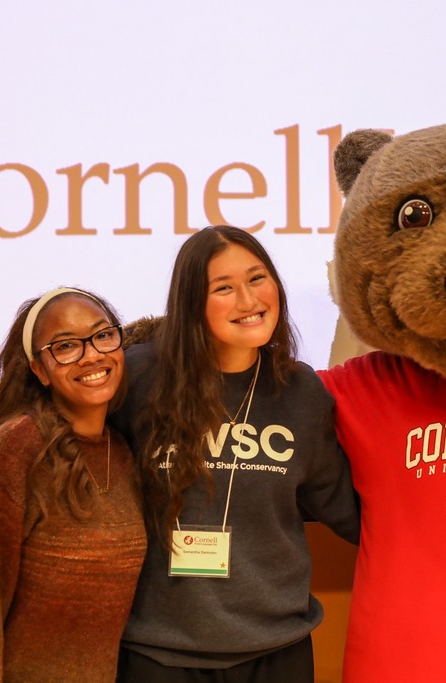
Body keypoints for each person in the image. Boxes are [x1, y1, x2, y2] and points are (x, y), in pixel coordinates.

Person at [111, 226, 359, 683]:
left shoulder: (301, 391)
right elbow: (66, 456)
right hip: (157, 650)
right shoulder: (139, 377)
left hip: (274, 649)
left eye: (258, 278)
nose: (248, 300)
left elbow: (344, 506)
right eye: (224, 287)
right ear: (190, 303)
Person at [0, 288, 147, 682]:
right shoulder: (18, 445)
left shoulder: (119, 450)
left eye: (103, 335)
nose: (92, 355)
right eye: (66, 346)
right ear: (39, 370)